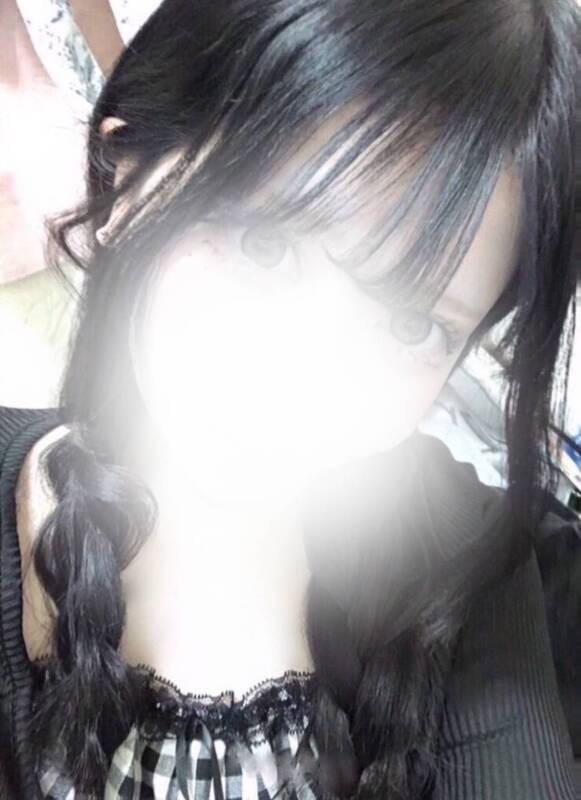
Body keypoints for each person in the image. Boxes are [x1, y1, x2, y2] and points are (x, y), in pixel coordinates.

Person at [0, 0, 579, 797]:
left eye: (413, 325)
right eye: (264, 245)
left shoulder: (468, 563)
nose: (310, 379)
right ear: (127, 178)